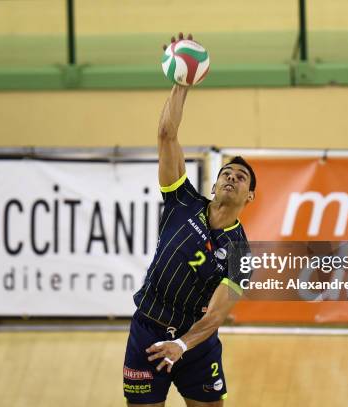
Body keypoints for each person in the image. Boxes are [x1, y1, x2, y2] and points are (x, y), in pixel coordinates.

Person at [123, 33, 257, 407]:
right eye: (227, 173)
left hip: (194, 344)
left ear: (250, 197)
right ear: (214, 183)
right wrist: (181, 82)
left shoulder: (240, 252)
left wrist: (181, 345)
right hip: (147, 331)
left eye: (241, 177)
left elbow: (215, 316)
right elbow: (167, 134)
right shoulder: (182, 201)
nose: (231, 177)